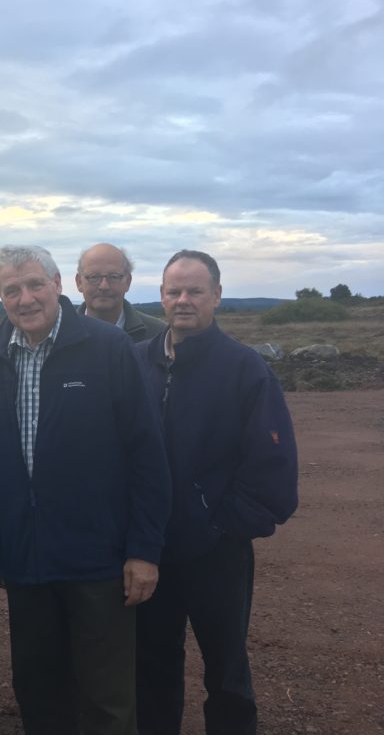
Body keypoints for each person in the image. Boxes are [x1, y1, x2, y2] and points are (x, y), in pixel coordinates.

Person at [0, 244, 172, 735]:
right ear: (0, 297)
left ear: (60, 284)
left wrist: (144, 550)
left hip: (97, 560)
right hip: (27, 562)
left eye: (34, 284)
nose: (25, 298)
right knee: (39, 691)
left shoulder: (108, 348)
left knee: (106, 698)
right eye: (11, 290)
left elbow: (147, 456)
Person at [135, 250, 298, 735]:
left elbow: (272, 466)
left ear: (217, 297)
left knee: (226, 672)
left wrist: (221, 524)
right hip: (149, 550)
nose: (183, 300)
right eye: (173, 291)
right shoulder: (136, 361)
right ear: (161, 296)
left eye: (195, 291)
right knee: (152, 667)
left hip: (217, 551)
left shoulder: (245, 369)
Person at [75, 243, 165, 341]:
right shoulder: (60, 334)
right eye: (94, 277)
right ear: (79, 282)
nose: (104, 286)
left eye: (114, 277)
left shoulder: (159, 336)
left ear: (128, 281)